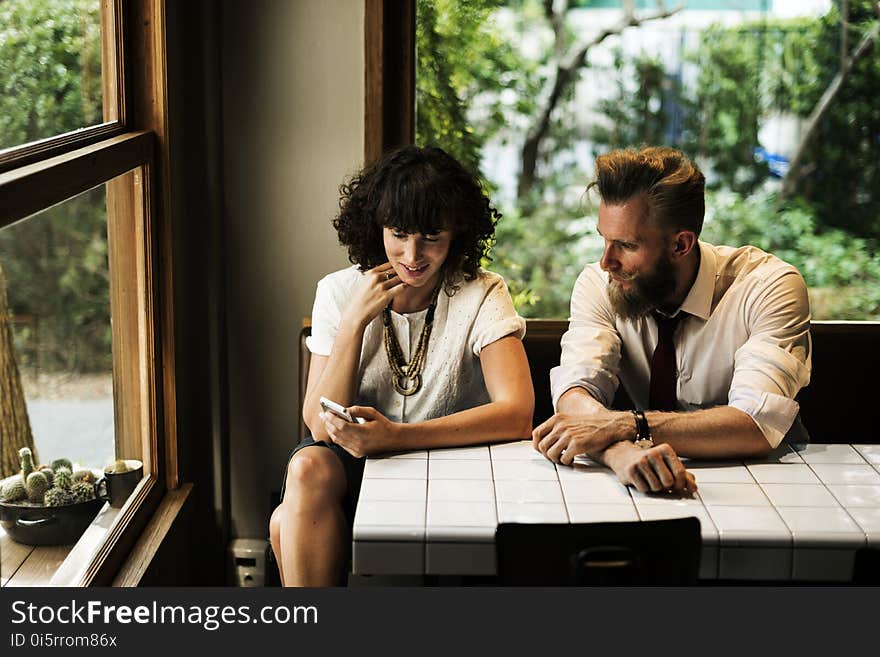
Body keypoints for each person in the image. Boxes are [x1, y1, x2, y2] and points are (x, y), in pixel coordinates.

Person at [269, 145, 534, 586]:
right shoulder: (338, 291)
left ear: (457, 234)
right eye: (399, 234)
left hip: (453, 463)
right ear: (378, 228)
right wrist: (354, 321)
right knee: (308, 466)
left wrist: (397, 437)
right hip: (353, 468)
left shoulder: (482, 291)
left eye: (431, 237)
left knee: (283, 524)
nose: (412, 255)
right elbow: (319, 425)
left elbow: (518, 412)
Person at [533, 146, 811, 494]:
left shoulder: (769, 286)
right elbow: (576, 393)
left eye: (626, 245)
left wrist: (629, 427)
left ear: (681, 245)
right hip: (647, 484)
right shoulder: (599, 283)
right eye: (604, 240)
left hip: (774, 483)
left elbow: (756, 424)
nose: (607, 261)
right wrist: (620, 453)